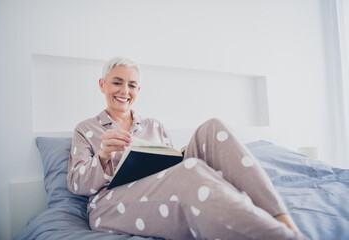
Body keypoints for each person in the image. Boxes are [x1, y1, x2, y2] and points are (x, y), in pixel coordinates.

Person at [67, 56, 307, 240]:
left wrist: (181, 158)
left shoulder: (154, 125)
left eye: (132, 85)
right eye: (117, 83)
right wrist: (103, 155)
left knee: (214, 128)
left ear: (138, 90)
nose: (124, 91)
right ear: (102, 85)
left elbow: (172, 166)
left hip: (159, 184)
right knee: (190, 170)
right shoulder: (86, 128)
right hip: (110, 203)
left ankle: (283, 221)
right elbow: (76, 184)